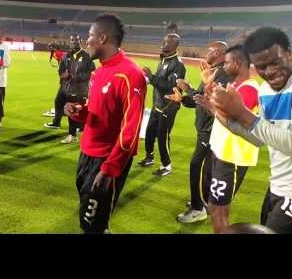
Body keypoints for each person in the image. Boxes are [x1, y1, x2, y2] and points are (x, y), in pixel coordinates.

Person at [206, 27, 292, 234]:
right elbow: (259, 139)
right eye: (261, 66)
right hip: (278, 187)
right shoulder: (266, 89)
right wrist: (225, 116)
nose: (270, 71)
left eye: (275, 62)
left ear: (289, 53)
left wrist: (243, 114)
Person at [64, 14, 146, 234]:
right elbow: (96, 112)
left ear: (102, 37)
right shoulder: (98, 71)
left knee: (93, 225)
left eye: (89, 35)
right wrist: (77, 113)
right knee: (88, 217)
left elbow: (132, 128)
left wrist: (109, 169)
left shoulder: (130, 74)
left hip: (107, 159)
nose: (86, 40)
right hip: (87, 153)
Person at [194, 45, 260, 233]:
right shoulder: (235, 86)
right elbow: (221, 112)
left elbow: (232, 118)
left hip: (233, 158)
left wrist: (212, 99)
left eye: (228, 62)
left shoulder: (249, 88)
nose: (224, 66)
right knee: (215, 206)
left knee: (219, 210)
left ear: (238, 64)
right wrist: (209, 93)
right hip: (222, 153)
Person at [164, 41, 228, 223]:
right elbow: (200, 99)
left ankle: (198, 208)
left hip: (210, 130)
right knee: (205, 168)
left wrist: (191, 88)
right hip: (206, 128)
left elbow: (213, 104)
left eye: (209, 49)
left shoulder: (222, 74)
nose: (205, 52)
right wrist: (184, 96)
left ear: (218, 52)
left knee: (196, 165)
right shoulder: (213, 71)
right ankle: (202, 201)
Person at [138, 33, 186, 176]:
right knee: (149, 133)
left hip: (168, 107)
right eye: (163, 40)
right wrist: (149, 79)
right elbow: (159, 81)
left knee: (162, 136)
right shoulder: (163, 60)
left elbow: (170, 86)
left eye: (167, 42)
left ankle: (167, 165)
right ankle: (149, 157)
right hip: (157, 104)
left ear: (175, 46)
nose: (163, 43)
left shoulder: (178, 65)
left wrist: (152, 77)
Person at [45, 34, 95, 144]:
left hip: (78, 89)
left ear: (80, 41)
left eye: (76, 40)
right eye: (72, 40)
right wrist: (63, 75)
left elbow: (91, 72)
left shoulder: (86, 55)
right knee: (58, 102)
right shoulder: (67, 55)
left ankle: (72, 135)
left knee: (72, 111)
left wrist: (74, 77)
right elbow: (61, 69)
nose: (74, 42)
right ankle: (57, 123)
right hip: (65, 87)